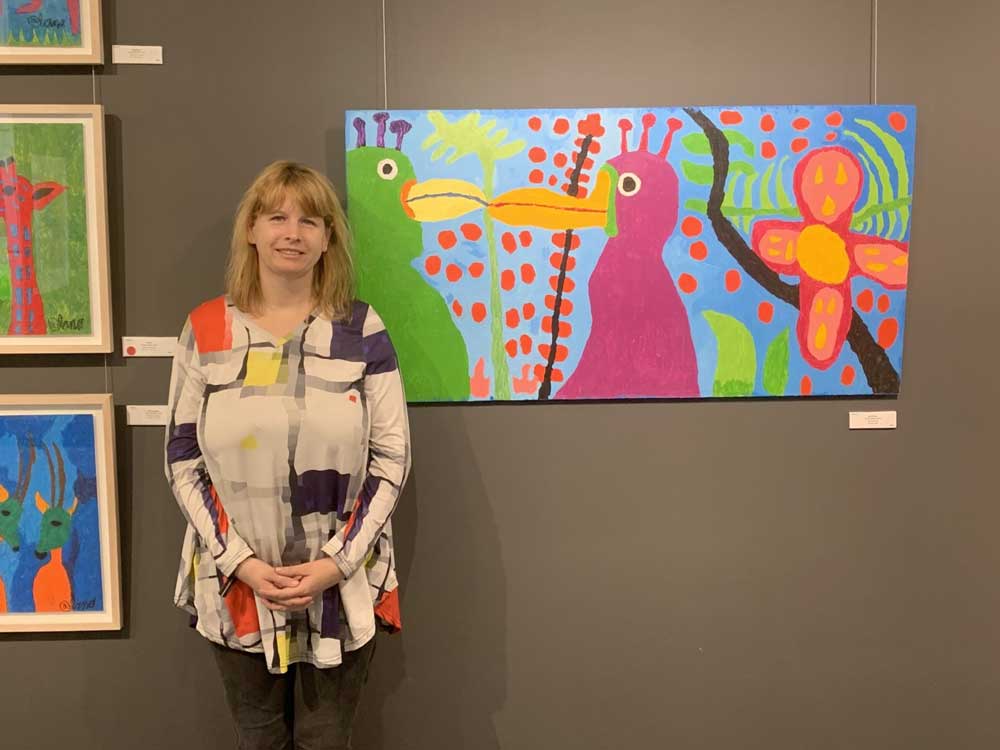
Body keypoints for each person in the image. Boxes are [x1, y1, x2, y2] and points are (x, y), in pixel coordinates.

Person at [164, 160, 410, 749]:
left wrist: (335, 563)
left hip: (340, 585)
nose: (292, 233)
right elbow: (182, 460)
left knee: (327, 742)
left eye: (310, 220)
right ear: (251, 229)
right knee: (258, 740)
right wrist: (242, 563)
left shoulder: (360, 330)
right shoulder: (206, 329)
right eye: (276, 216)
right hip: (238, 586)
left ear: (329, 239)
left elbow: (391, 457)